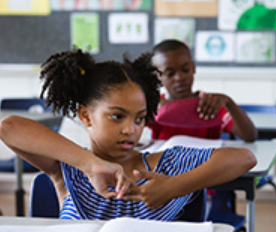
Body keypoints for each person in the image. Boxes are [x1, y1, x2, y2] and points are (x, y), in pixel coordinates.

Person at [0, 49, 256, 221]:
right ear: (86, 115)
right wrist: (91, 165)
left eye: (140, 118)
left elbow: (244, 158)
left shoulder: (162, 167)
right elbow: (8, 127)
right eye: (117, 116)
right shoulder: (70, 167)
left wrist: (172, 187)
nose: (130, 130)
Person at [149, 39, 257, 142]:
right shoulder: (153, 105)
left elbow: (249, 136)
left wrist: (229, 102)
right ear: (157, 77)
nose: (180, 78)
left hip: (208, 161)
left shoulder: (209, 103)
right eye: (170, 74)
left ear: (193, 68)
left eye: (186, 70)